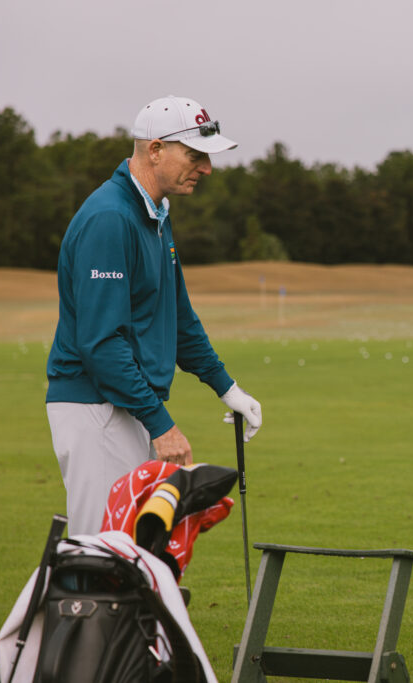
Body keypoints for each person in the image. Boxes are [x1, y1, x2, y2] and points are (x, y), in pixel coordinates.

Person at [45, 95, 262, 537]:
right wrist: (162, 425)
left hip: (126, 403)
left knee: (131, 551)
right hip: (96, 406)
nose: (207, 169)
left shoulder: (155, 214)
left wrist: (227, 387)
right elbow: (101, 343)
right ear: (156, 149)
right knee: (103, 550)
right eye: (195, 155)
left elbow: (178, 317)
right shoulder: (111, 218)